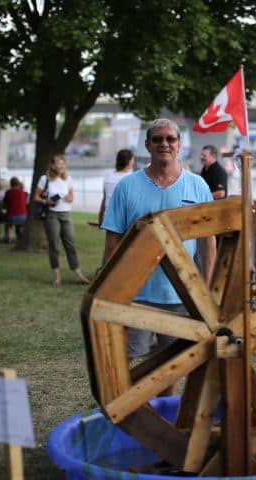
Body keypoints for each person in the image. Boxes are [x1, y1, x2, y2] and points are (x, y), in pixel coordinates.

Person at [102, 118, 216, 360]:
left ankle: (163, 401)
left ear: (179, 144)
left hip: (181, 294)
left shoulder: (198, 186)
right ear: (147, 145)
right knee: (126, 360)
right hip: (134, 293)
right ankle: (130, 401)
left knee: (171, 364)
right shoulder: (126, 187)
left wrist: (205, 289)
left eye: (170, 139)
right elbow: (113, 241)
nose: (164, 143)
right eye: (158, 139)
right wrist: (109, 289)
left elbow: (208, 243)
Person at [33, 154, 90, 287]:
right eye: (58, 164)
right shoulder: (45, 179)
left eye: (63, 164)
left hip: (66, 214)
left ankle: (79, 275)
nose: (61, 166)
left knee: (70, 244)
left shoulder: (68, 179)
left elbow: (71, 197)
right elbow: (35, 197)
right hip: (51, 215)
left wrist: (68, 198)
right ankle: (57, 277)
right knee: (54, 245)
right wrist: (45, 201)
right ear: (52, 165)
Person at [98, 148, 134, 226]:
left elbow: (105, 199)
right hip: (125, 220)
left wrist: (100, 218)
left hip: (108, 218)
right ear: (130, 161)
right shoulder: (132, 177)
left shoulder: (108, 176)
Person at [2, 176, 27, 242]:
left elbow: (4, 204)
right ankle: (21, 238)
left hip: (11, 216)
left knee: (8, 225)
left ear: (10, 184)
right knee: (21, 225)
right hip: (23, 216)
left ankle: (9, 237)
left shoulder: (8, 193)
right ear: (18, 183)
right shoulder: (23, 192)